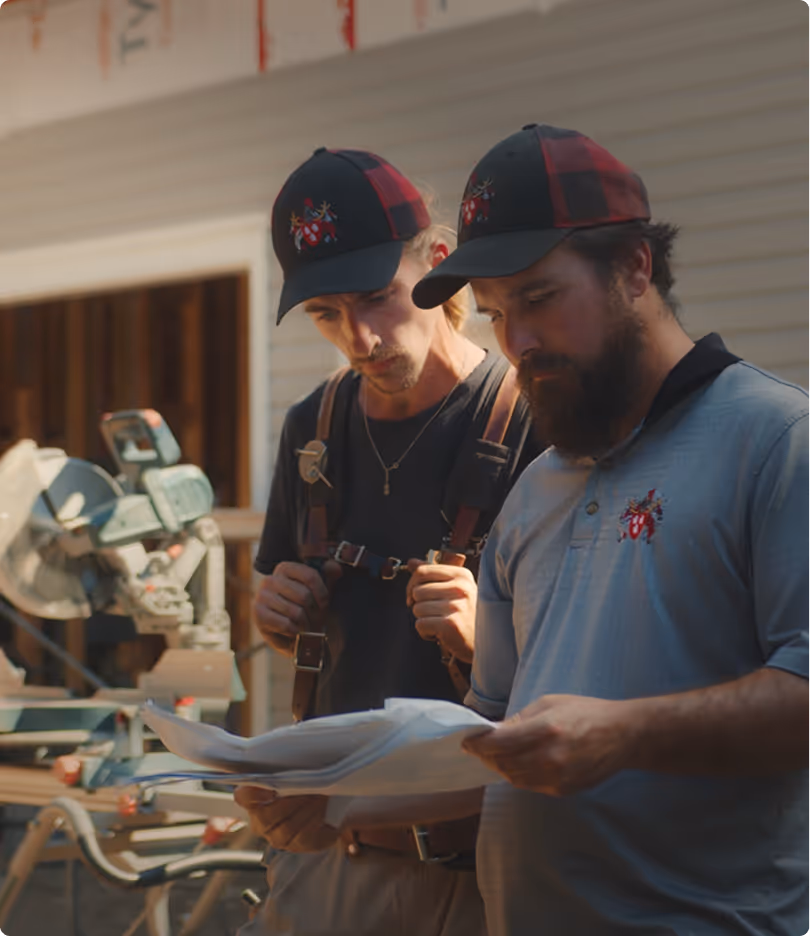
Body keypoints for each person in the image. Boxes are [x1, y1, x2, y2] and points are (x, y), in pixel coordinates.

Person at [406, 122, 810, 935]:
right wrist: (331, 803)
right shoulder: (531, 493)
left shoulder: (775, 441)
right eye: (493, 315)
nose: (515, 343)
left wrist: (625, 735)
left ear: (635, 268)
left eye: (539, 299)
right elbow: (494, 737)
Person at [236, 146, 539, 936]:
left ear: (439, 265)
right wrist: (272, 615)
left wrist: (489, 638)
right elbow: (289, 634)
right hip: (336, 861)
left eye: (377, 299)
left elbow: (601, 666)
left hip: (487, 864)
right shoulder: (315, 426)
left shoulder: (533, 420)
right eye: (326, 315)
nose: (360, 339)